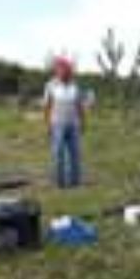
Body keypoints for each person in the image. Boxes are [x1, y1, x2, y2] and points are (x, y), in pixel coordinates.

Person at [43, 57, 89, 189]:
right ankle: (59, 183)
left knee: (75, 153)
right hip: (57, 124)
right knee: (58, 154)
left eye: (68, 70)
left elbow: (79, 105)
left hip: (73, 124)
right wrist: (47, 124)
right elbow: (47, 106)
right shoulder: (50, 85)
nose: (65, 73)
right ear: (57, 71)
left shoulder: (75, 86)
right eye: (62, 70)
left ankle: (75, 182)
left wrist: (83, 122)